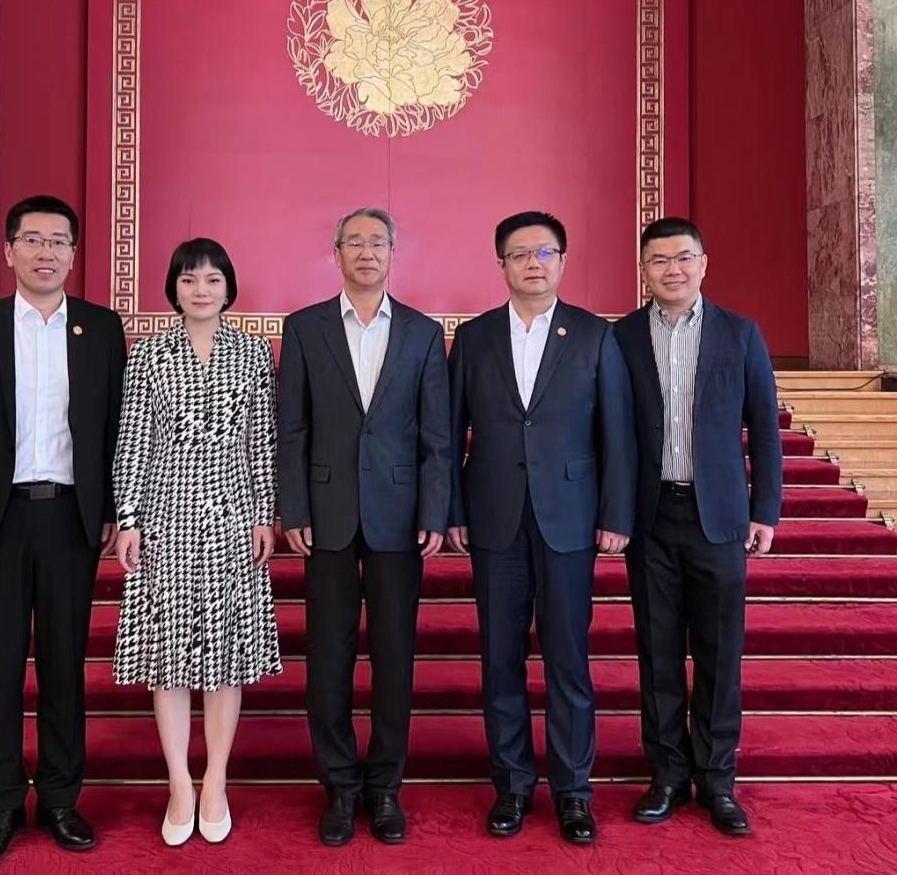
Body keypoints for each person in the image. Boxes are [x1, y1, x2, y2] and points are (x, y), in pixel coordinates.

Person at [0, 195, 126, 865]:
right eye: (34, 239)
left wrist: (114, 509)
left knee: (65, 665)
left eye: (59, 241)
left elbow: (116, 429)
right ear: (9, 250)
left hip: (71, 518)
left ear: (74, 253)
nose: (47, 252)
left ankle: (62, 799)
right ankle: (2, 805)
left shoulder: (101, 329)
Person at [446, 210, 636, 846]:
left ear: (563, 261)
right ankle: (512, 786)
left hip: (570, 520)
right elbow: (448, 432)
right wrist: (453, 511)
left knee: (568, 660)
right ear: (500, 264)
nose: (533, 263)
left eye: (545, 252)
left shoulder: (594, 335)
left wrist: (615, 514)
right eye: (520, 254)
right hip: (494, 518)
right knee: (500, 659)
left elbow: (617, 433)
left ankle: (573, 792)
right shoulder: (474, 338)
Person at [277, 207, 450, 847]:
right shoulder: (305, 327)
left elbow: (437, 434)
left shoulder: (423, 333)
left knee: (394, 656)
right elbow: (291, 427)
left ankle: (384, 787)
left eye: (378, 242)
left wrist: (435, 510)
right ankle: (339, 788)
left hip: (400, 517)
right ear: (337, 252)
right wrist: (293, 509)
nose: (367, 252)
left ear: (393, 253)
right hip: (325, 515)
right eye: (356, 242)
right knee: (328, 656)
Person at [613, 216, 783, 837]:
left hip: (720, 516)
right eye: (659, 260)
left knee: (719, 653)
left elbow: (764, 427)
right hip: (650, 516)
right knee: (657, 652)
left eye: (683, 258)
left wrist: (765, 509)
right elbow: (609, 432)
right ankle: (666, 774)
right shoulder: (621, 338)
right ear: (644, 270)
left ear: (703, 264)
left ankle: (717, 780)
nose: (673, 270)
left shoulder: (740, 334)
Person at [112, 238, 281, 847]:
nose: (201, 289)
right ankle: (179, 783)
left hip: (234, 516)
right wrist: (128, 517)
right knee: (169, 655)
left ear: (228, 287)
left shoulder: (252, 352)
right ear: (174, 288)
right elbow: (133, 438)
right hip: (164, 514)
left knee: (226, 655)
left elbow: (262, 439)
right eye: (189, 279)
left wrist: (265, 514)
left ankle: (216, 780)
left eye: (212, 279)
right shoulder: (149, 354)